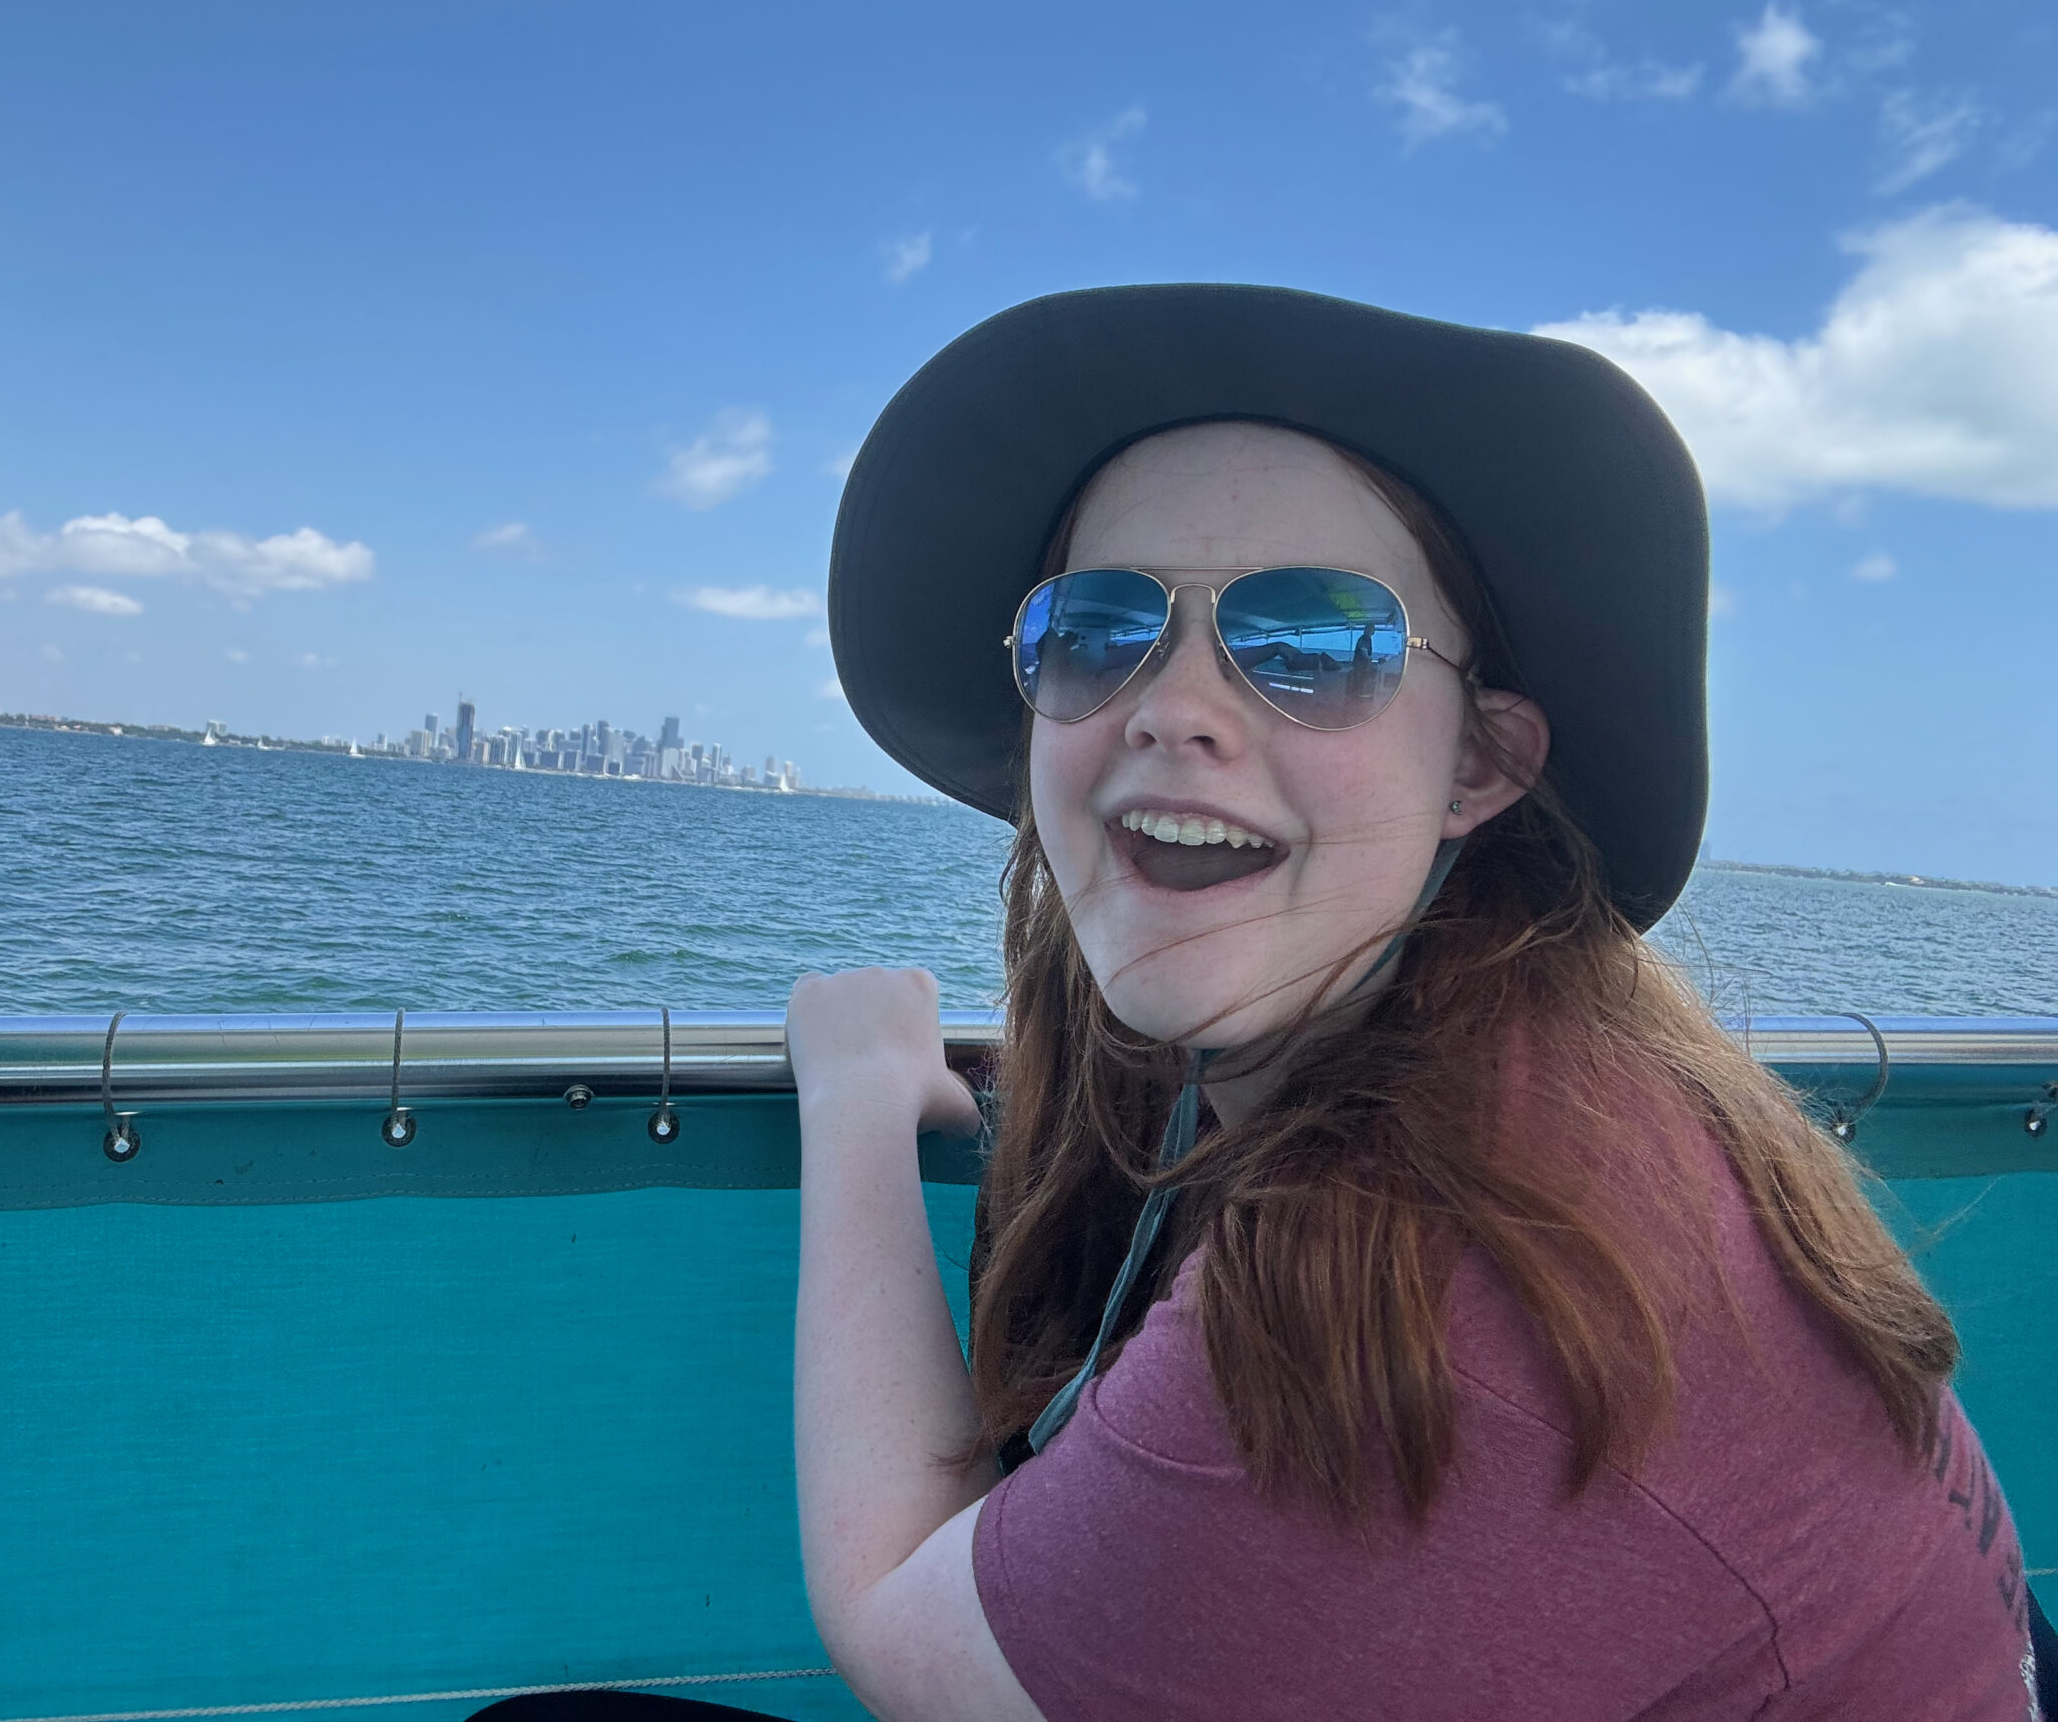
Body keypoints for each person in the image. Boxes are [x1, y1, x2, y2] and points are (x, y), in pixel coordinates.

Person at [483, 285, 2044, 1722]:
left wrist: (856, 1103)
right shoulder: (1511, 1058)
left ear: (1484, 766)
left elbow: (907, 1633)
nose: (1170, 706)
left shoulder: (1440, 1271)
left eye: (1312, 642)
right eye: (1099, 628)